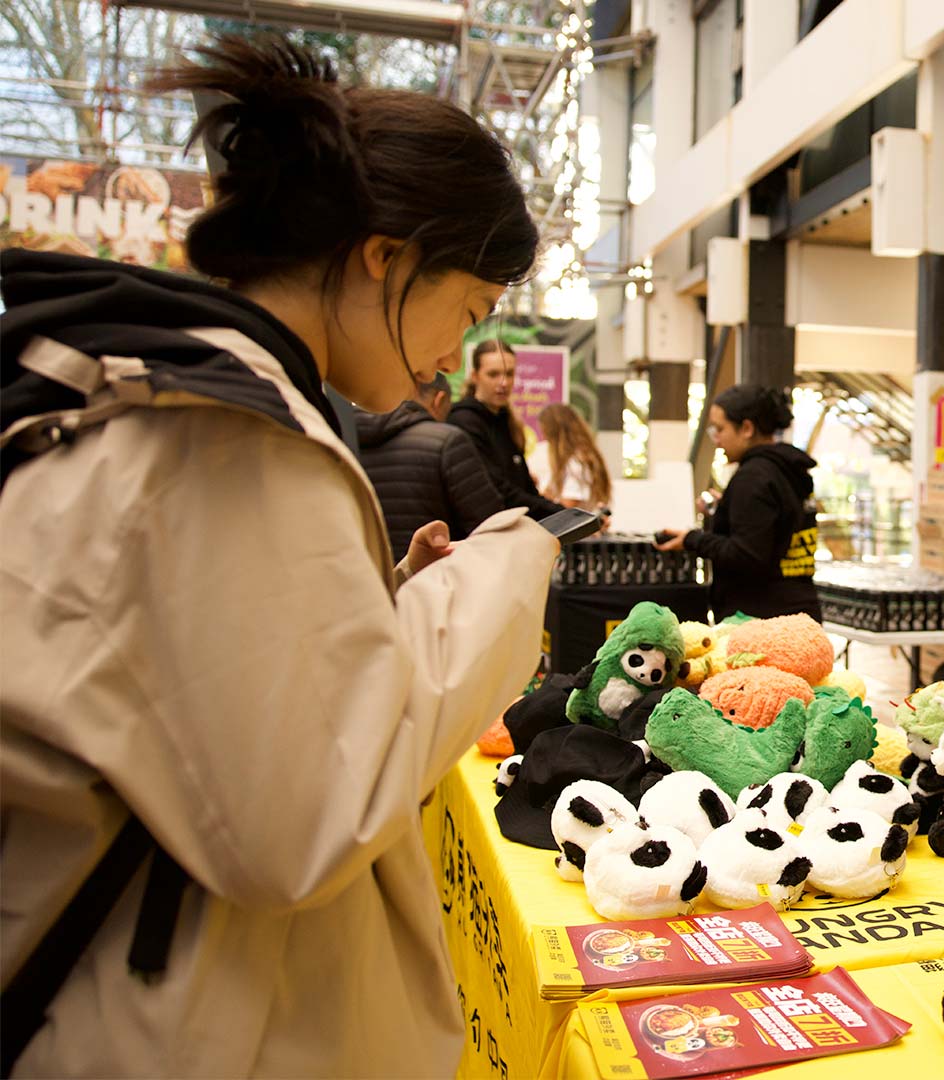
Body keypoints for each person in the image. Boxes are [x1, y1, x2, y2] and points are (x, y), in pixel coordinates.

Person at [0, 37, 557, 1076]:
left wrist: (379, 605)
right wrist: (506, 568)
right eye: (471, 310)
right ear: (385, 254)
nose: (454, 352)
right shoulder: (233, 438)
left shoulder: (144, 384)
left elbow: (189, 684)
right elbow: (312, 810)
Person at [657, 384, 822, 621]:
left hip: (762, 621)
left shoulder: (753, 477)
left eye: (720, 429)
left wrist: (692, 539)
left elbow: (747, 555)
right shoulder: (787, 470)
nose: (717, 440)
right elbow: (775, 529)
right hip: (799, 612)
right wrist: (724, 510)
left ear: (746, 428)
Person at [355, 372, 507, 555]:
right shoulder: (448, 441)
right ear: (439, 400)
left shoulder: (348, 442)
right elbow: (492, 526)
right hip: (440, 575)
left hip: (378, 576)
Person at [447, 338, 566, 519]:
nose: (503, 382)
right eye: (493, 374)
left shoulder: (506, 421)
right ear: (475, 376)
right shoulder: (464, 421)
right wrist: (561, 513)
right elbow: (497, 490)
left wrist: (566, 515)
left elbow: (525, 488)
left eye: (509, 374)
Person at [530, 402, 613, 512]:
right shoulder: (577, 459)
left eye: (544, 431)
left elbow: (567, 509)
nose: (544, 437)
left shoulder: (576, 464)